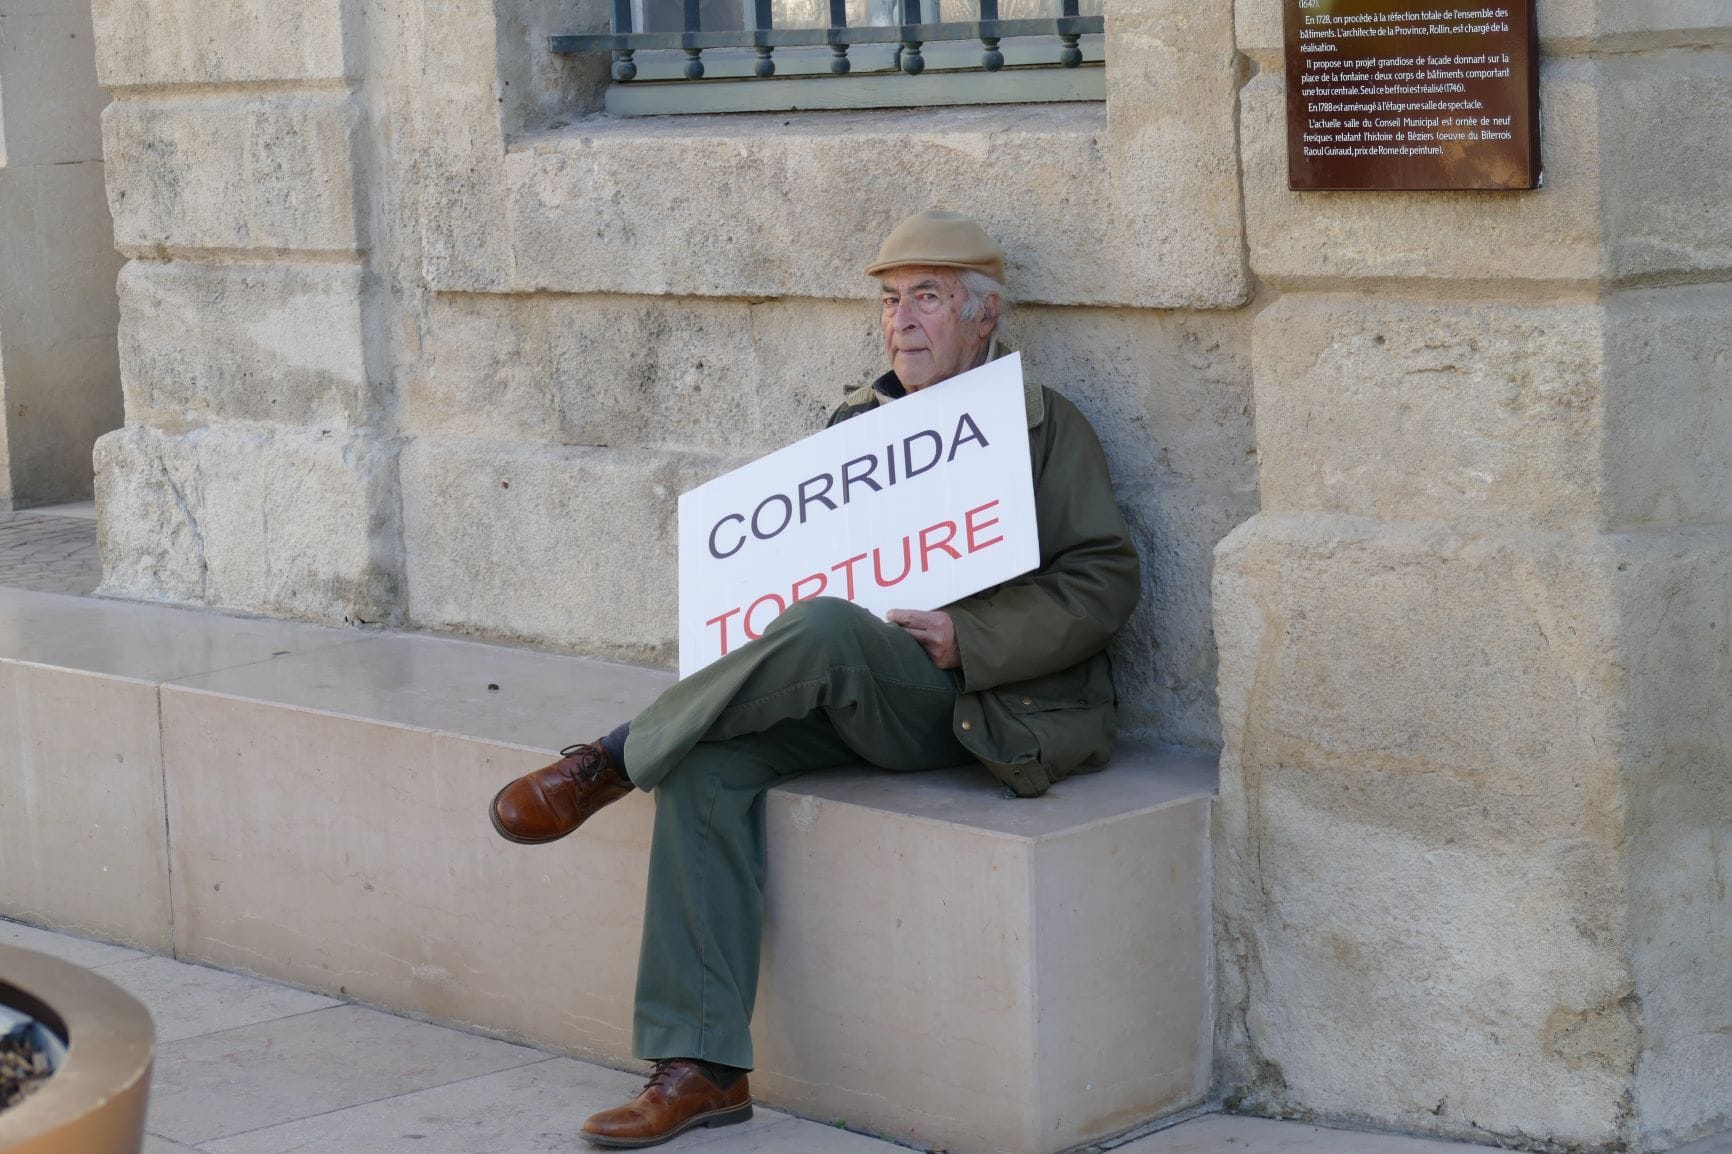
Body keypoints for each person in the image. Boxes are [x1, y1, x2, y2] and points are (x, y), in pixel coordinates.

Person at [488, 210, 1142, 1149]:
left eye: (927, 297)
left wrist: (970, 635)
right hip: (852, 690)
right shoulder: (856, 426)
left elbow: (1105, 579)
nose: (902, 320)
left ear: (983, 316)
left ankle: (610, 760)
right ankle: (703, 1068)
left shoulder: (1043, 426)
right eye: (889, 299)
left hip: (979, 706)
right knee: (707, 763)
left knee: (827, 629)